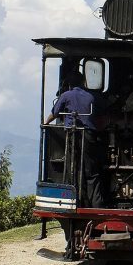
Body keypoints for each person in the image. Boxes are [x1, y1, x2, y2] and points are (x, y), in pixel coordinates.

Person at [43, 74, 106, 208]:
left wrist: (45, 123)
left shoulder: (66, 95)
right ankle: (96, 204)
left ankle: (76, 201)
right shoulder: (91, 96)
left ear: (70, 85)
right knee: (91, 171)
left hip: (72, 135)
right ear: (84, 82)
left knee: (74, 168)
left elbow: (55, 113)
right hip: (89, 135)